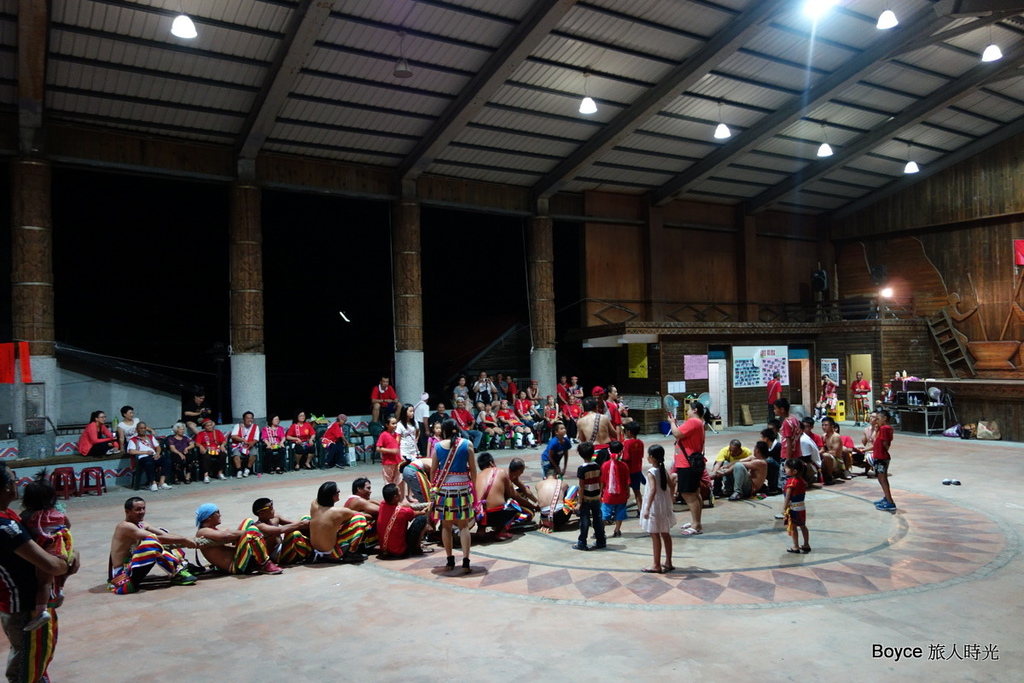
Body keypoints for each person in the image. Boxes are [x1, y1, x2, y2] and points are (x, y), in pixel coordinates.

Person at [1, 462, 81, 683]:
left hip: (23, 603)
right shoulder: (4, 526)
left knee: (34, 660)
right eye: (13, 479)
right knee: (27, 667)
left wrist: (69, 554)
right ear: (7, 487)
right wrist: (67, 559)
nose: (17, 483)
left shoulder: (12, 515)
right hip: (24, 606)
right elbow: (52, 566)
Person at [108, 496, 197, 594]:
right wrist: (184, 540)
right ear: (127, 512)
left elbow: (163, 535)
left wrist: (187, 540)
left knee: (163, 533)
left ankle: (182, 565)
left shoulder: (141, 524)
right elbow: (157, 538)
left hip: (132, 565)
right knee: (152, 541)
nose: (142, 512)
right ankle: (176, 572)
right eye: (138, 509)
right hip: (123, 574)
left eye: (143, 508)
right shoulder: (125, 526)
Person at [19, 477, 72, 632]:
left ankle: (41, 612)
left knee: (44, 582)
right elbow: (67, 525)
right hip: (60, 548)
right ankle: (60, 589)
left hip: (45, 551)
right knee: (65, 567)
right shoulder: (58, 513)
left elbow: (22, 533)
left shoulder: (27, 516)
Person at [430, 419, 477, 574]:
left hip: (444, 490)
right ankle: (466, 561)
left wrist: (433, 487)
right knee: (463, 526)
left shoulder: (437, 446)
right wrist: (474, 489)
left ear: (443, 431)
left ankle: (450, 560)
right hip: (462, 489)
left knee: (446, 525)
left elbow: (433, 470)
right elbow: (473, 470)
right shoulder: (467, 444)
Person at [195, 504, 282, 575]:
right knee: (252, 531)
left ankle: (263, 544)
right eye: (217, 513)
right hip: (236, 566)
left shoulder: (215, 530)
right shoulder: (203, 532)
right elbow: (227, 535)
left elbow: (230, 533)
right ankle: (264, 564)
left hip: (238, 557)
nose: (220, 515)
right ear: (209, 517)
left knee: (247, 521)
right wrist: (255, 531)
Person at [669, 400, 706, 535]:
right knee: (695, 493)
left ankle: (696, 524)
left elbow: (677, 434)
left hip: (687, 463)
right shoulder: (698, 423)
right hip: (690, 462)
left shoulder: (693, 422)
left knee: (688, 494)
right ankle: (696, 521)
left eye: (689, 409)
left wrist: (672, 423)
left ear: (695, 410)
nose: (687, 412)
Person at [308, 482, 369, 563]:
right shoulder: (338, 512)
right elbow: (359, 515)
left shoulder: (314, 504)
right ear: (333, 496)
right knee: (359, 518)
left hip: (315, 549)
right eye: (338, 492)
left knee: (306, 518)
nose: (339, 493)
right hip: (331, 553)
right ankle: (351, 553)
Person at [640, 444, 676, 574]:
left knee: (655, 534)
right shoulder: (663, 470)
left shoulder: (651, 472)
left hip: (655, 505)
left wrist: (647, 508)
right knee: (665, 533)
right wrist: (671, 498)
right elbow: (672, 485)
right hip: (664, 505)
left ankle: (656, 564)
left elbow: (653, 490)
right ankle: (668, 562)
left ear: (652, 458)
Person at [251, 498, 311, 565]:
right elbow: (280, 530)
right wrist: (301, 524)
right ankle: (312, 553)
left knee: (305, 518)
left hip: (282, 546)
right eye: (271, 509)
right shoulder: (260, 526)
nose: (273, 510)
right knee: (295, 535)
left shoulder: (275, 517)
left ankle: (315, 546)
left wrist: (305, 523)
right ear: (262, 513)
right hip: (277, 556)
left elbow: (292, 524)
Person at [377, 484, 430, 559]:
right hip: (400, 552)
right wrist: (424, 510)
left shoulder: (383, 504)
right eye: (399, 491)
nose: (401, 493)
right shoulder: (403, 511)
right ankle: (416, 549)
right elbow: (419, 513)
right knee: (422, 519)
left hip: (384, 550)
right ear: (395, 497)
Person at [473, 453, 517, 541]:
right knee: (513, 504)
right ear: (491, 463)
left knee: (480, 506)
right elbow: (509, 494)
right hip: (496, 515)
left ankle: (481, 528)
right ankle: (501, 530)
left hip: (478, 515)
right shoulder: (500, 471)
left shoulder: (477, 476)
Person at [573, 441, 605, 551]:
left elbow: (581, 486)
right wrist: (600, 493)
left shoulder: (582, 468)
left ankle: (582, 542)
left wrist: (579, 502)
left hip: (586, 498)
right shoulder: (597, 466)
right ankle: (601, 540)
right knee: (598, 519)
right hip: (596, 497)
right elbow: (600, 481)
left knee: (585, 521)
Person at [127, 422, 172, 492]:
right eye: (141, 428)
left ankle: (162, 482)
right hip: (143, 457)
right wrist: (145, 452)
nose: (143, 430)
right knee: (149, 463)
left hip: (154, 456)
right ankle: (152, 483)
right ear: (137, 429)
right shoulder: (133, 440)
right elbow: (131, 451)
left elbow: (158, 447)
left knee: (167, 461)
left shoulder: (150, 437)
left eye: (144, 428)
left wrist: (157, 453)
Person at [866, 409, 896, 511]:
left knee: (883, 479)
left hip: (882, 457)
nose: (876, 420)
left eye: (878, 418)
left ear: (885, 418)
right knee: (880, 478)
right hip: (878, 456)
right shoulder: (881, 429)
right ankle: (886, 497)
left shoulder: (885, 428)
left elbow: (885, 443)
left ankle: (890, 501)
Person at [600, 441, 630, 539]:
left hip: (608, 495)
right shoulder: (624, 466)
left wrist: (601, 493)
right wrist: (628, 492)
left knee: (605, 512)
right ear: (621, 452)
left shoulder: (605, 465)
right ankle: (617, 530)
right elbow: (627, 481)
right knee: (620, 512)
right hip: (621, 494)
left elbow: (602, 481)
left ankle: (601, 531)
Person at [782, 459, 810, 554]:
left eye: (787, 468)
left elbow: (788, 496)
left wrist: (784, 508)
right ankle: (806, 544)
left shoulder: (791, 482)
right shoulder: (801, 480)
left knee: (793, 527)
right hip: (801, 506)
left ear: (794, 471)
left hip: (793, 507)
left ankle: (795, 546)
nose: (785, 469)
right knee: (802, 525)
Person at [575, 396, 614, 464]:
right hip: (607, 451)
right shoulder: (604, 418)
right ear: (596, 407)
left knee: (595, 473)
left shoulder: (580, 422)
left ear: (584, 409)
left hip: (593, 453)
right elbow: (614, 434)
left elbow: (583, 440)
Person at [345, 478, 381, 548]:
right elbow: (382, 511)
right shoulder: (359, 501)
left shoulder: (351, 500)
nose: (370, 491)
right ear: (359, 489)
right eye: (368, 488)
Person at [622, 421, 645, 514]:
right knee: (637, 492)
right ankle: (641, 511)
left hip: (628, 471)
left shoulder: (627, 443)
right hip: (637, 470)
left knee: (625, 493)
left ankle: (621, 512)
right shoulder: (640, 443)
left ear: (629, 432)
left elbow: (626, 458)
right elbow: (641, 456)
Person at [195, 419, 227, 483]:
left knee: (223, 454)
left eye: (210, 425)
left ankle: (220, 473)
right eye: (207, 426)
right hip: (207, 450)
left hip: (216, 449)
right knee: (205, 457)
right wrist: (201, 446)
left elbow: (224, 441)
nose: (210, 427)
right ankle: (206, 476)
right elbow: (197, 443)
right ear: (204, 427)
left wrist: (222, 445)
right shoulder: (201, 434)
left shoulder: (217, 432)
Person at [229, 411, 259, 477]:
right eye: (247, 418)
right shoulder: (238, 426)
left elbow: (256, 439)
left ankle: (247, 469)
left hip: (249, 445)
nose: (249, 420)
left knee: (254, 453)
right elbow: (233, 436)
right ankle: (239, 471)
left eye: (251, 418)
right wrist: (243, 440)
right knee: (236, 454)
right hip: (238, 445)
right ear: (243, 419)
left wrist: (252, 443)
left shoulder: (255, 427)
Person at [377, 416, 402, 494]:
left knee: (398, 481)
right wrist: (391, 451)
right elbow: (378, 448)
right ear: (387, 425)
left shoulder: (397, 435)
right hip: (388, 462)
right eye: (393, 423)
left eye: (396, 423)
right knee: (388, 481)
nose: (395, 425)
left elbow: (398, 448)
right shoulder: (383, 435)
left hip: (397, 461)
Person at [775, 398, 802, 463]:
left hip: (788, 455)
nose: (774, 410)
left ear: (782, 409)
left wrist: (788, 460)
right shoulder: (794, 418)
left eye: (775, 408)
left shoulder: (786, 423)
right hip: (797, 452)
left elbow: (788, 442)